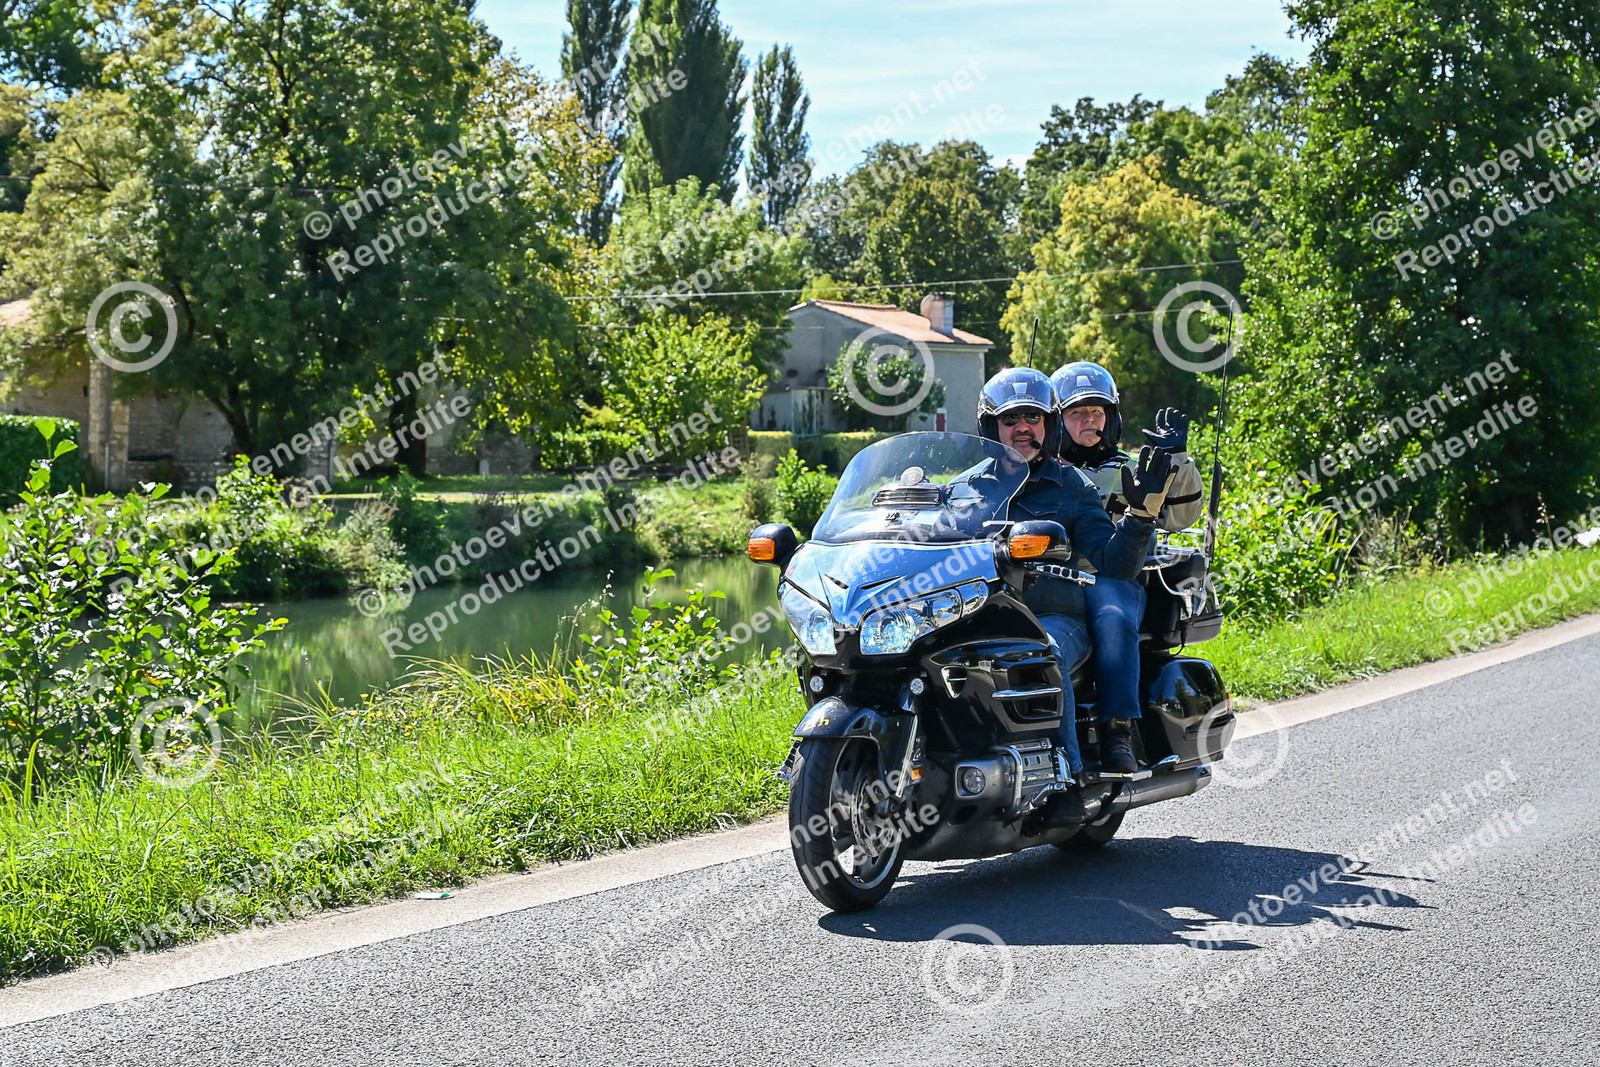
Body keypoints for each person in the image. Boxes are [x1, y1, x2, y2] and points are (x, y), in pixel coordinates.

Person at [976, 368, 1176, 819]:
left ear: (1048, 425)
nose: (1023, 428)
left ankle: (1066, 780)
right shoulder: (966, 489)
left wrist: (1141, 516)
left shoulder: (1071, 486)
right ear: (990, 427)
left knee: (1042, 653)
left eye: (1033, 417)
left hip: (1052, 618)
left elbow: (1113, 563)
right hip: (978, 618)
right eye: (1010, 419)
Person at [1050, 361, 1204, 773]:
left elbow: (1182, 516)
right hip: (1046, 580)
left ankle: (1118, 729)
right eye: (1077, 412)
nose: (1089, 419)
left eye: (1097, 411)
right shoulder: (1041, 472)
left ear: (1113, 417)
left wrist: (1176, 459)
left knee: (1112, 613)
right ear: (1057, 419)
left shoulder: (1133, 469)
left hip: (1112, 575)